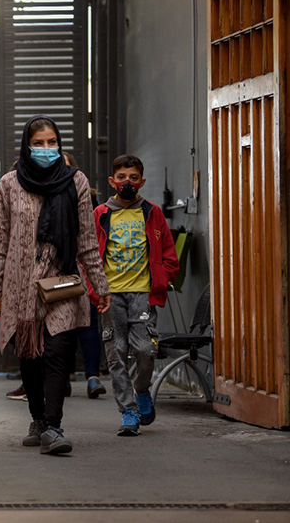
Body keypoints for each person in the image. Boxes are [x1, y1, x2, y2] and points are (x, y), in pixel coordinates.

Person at [0, 115, 110, 455]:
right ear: (27, 145)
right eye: (38, 143)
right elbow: (0, 242)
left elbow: (86, 238)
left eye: (52, 142)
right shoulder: (9, 184)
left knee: (58, 352)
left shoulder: (76, 182)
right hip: (20, 286)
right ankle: (38, 419)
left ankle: (54, 427)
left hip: (62, 281)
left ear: (60, 144)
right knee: (29, 355)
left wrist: (100, 285)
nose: (45, 149)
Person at [93, 154, 179, 436]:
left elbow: (168, 252)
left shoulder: (152, 212)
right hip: (110, 294)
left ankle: (141, 389)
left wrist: (164, 279)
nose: (126, 183)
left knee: (144, 349)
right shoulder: (101, 214)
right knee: (116, 354)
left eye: (132, 178)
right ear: (112, 181)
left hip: (143, 292)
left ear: (141, 182)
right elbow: (90, 255)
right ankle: (128, 412)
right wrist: (96, 288)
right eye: (121, 178)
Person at [64, 151, 108, 399]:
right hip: (57, 270)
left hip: (84, 267)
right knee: (62, 325)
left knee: (89, 322)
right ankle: (65, 377)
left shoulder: (89, 201)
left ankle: (93, 377)